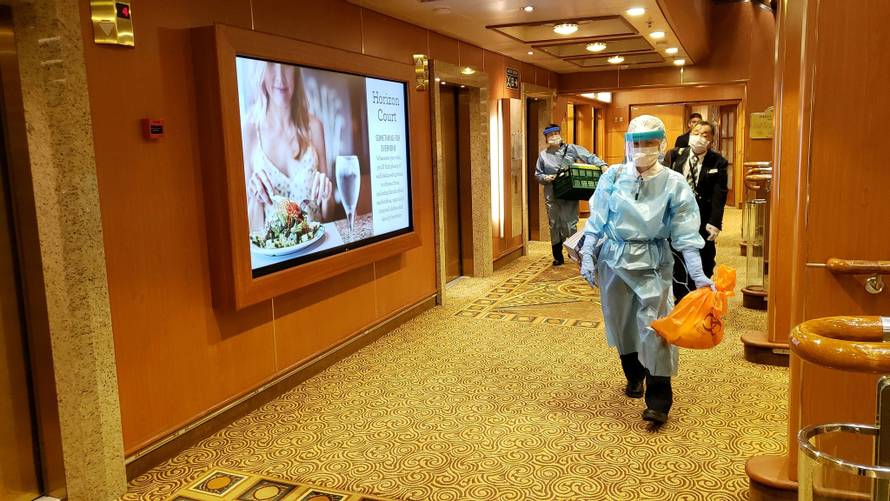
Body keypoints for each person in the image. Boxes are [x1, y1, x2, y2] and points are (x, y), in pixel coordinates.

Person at [579, 115, 712, 425]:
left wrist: (698, 274)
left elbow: (686, 231)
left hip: (652, 261)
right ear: (628, 144)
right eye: (636, 143)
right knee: (621, 323)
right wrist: (587, 253)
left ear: (661, 144)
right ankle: (633, 375)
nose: (642, 149)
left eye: (649, 143)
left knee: (656, 326)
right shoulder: (613, 177)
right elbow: (597, 219)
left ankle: (659, 398)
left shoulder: (673, 182)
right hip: (613, 259)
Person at [242, 62, 334, 233]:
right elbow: (250, 230)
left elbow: (328, 216)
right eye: (271, 64)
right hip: (274, 249)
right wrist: (255, 199)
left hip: (317, 245)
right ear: (261, 71)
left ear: (296, 72)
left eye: (286, 66)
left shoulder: (315, 126)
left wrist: (327, 197)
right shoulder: (249, 130)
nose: (280, 77)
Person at [663, 121, 729, 302]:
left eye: (705, 135)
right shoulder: (675, 155)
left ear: (712, 140)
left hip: (703, 218)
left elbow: (719, 194)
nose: (699, 137)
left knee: (704, 258)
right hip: (676, 216)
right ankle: (681, 299)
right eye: (696, 133)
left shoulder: (718, 161)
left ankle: (700, 298)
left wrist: (715, 222)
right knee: (677, 258)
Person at [535, 124, 608, 266]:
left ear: (560, 134)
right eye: (550, 135)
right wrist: (546, 178)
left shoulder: (571, 149)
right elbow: (538, 174)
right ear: (546, 138)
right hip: (552, 193)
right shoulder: (543, 155)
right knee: (554, 224)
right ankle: (557, 256)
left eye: (556, 133)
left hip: (569, 191)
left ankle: (573, 250)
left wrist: (602, 165)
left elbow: (589, 157)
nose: (554, 136)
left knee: (570, 223)